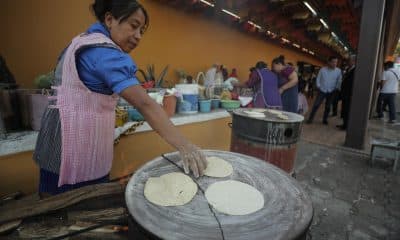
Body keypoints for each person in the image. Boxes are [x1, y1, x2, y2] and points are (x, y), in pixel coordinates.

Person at [33, 0, 207, 196]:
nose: (138, 36)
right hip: (75, 156)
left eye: (142, 31)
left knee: (52, 213)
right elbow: (144, 103)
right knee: (80, 214)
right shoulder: (105, 53)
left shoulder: (82, 41)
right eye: (134, 26)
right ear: (109, 19)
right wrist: (186, 146)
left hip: (53, 146)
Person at [306, 56, 342, 125]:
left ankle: (324, 119)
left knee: (328, 106)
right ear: (329, 62)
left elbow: (339, 81)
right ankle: (310, 119)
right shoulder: (323, 69)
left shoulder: (338, 71)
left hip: (332, 91)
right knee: (316, 105)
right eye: (333, 62)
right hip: (322, 90)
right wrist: (319, 86)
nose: (335, 64)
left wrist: (336, 88)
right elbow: (318, 79)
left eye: (336, 62)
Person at [337, 55, 356, 130]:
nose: (348, 62)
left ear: (354, 61)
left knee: (347, 110)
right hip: (345, 93)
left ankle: (346, 126)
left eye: (349, 60)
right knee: (344, 109)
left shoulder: (355, 70)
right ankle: (344, 124)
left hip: (349, 94)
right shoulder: (349, 69)